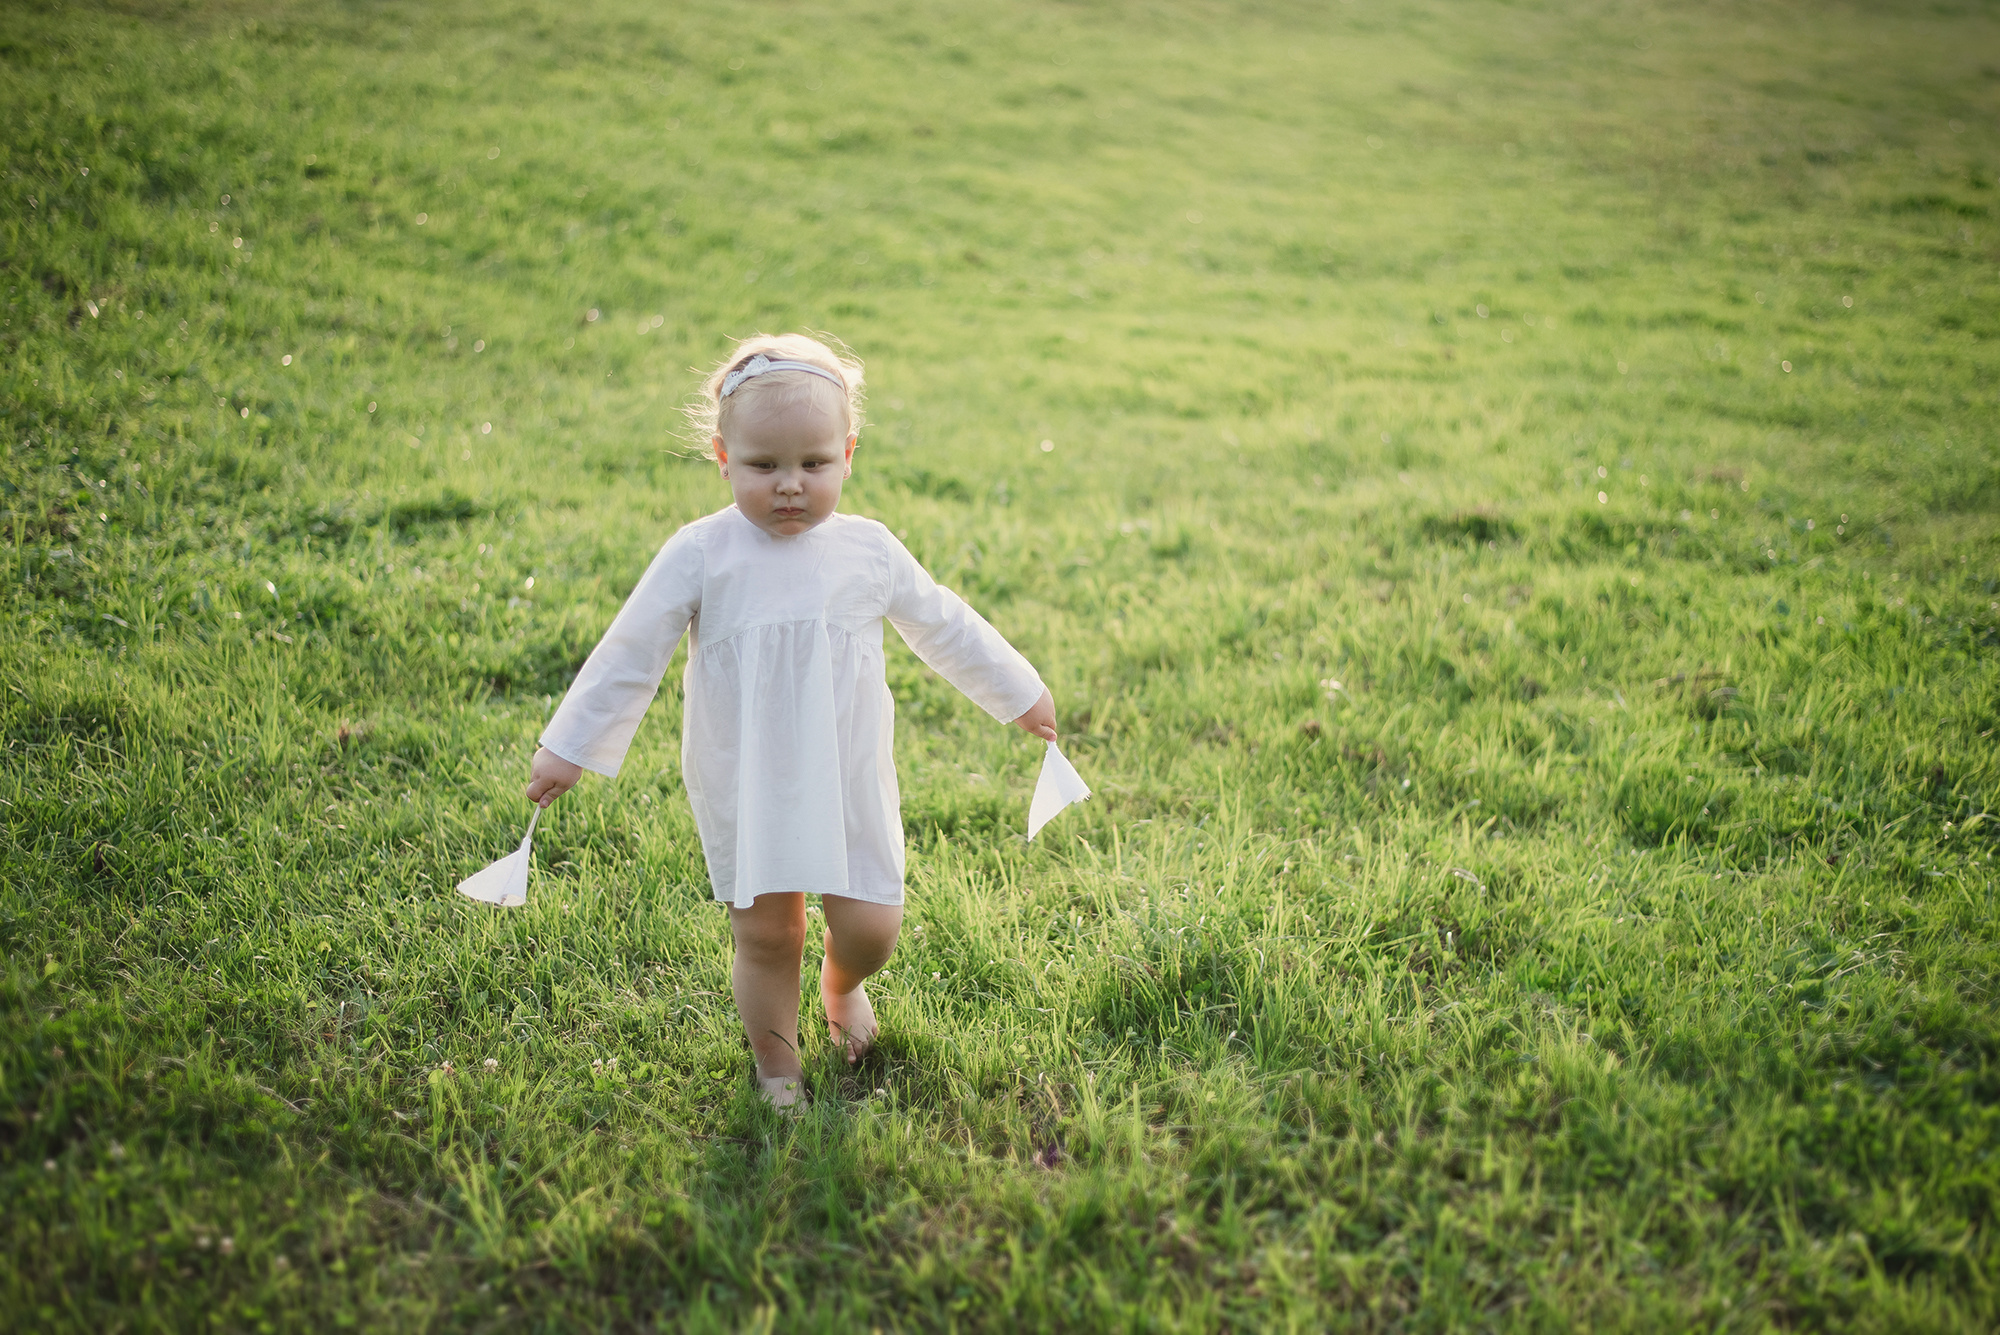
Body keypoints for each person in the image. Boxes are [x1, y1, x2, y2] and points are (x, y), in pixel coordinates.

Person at [522, 333, 1058, 1109]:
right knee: (770, 934)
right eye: (763, 465)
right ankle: (778, 1067)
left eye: (813, 463)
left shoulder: (868, 550)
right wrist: (568, 745)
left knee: (873, 924)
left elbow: (945, 623)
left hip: (847, 770)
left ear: (848, 455)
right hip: (750, 773)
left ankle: (843, 984)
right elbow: (629, 651)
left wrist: (1020, 692)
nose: (789, 485)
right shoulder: (702, 552)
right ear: (722, 457)